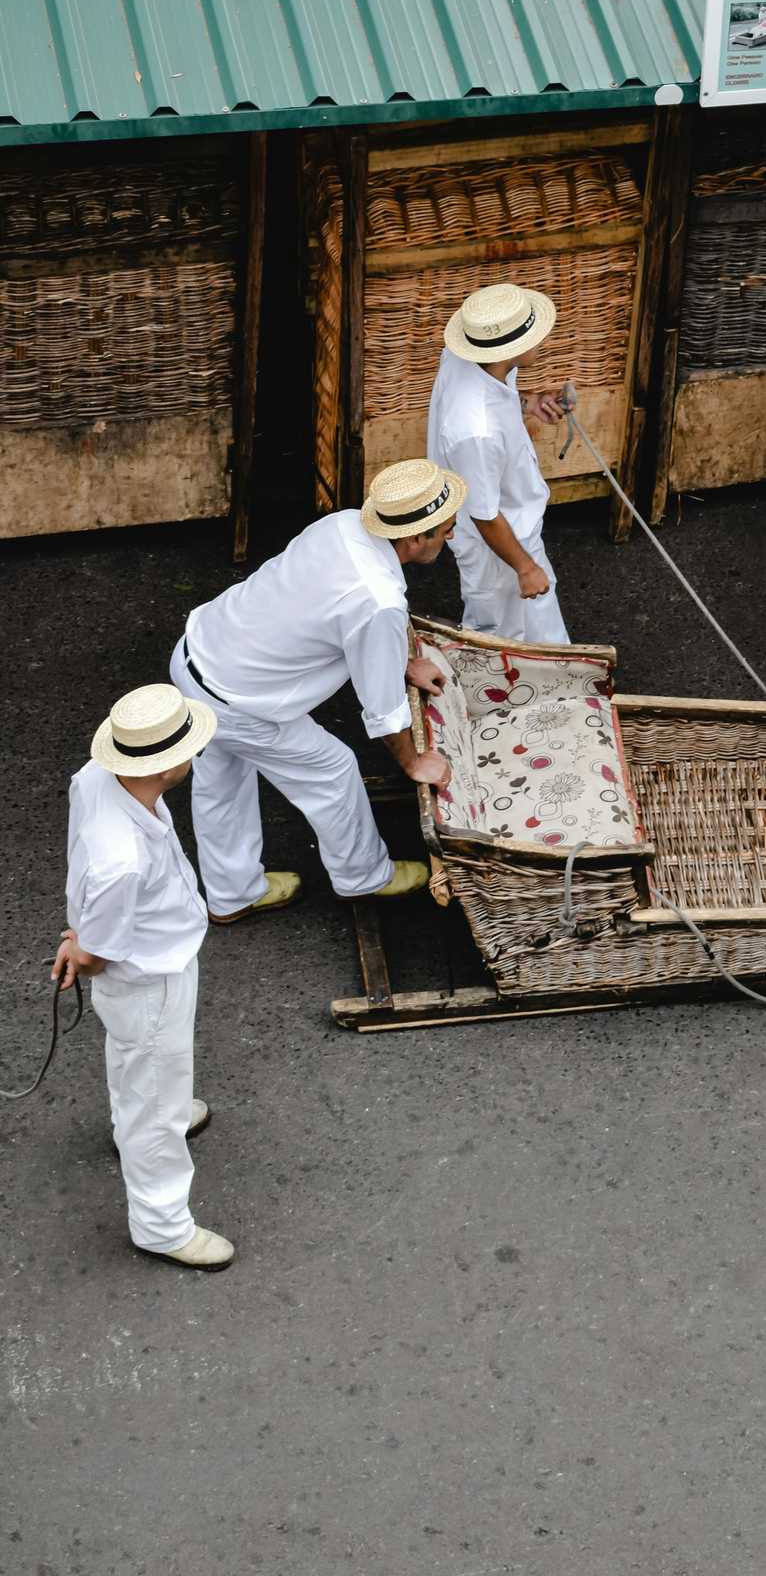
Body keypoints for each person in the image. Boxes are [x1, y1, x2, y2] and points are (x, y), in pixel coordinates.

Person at [168, 459, 465, 925]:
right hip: (239, 700)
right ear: (413, 540)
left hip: (199, 651)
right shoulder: (379, 600)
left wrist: (400, 661)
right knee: (332, 770)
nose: (451, 536)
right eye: (446, 530)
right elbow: (383, 709)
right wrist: (413, 762)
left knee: (221, 780)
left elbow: (325, 610)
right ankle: (364, 876)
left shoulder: (343, 524)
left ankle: (231, 893)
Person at [55, 683, 234, 1270]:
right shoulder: (123, 861)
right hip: (148, 976)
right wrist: (81, 948)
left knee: (146, 1070)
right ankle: (160, 1225)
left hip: (158, 958)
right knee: (151, 1098)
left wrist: (78, 936)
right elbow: (101, 953)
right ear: (167, 766)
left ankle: (159, 1114)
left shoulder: (96, 777)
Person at [427, 282, 570, 646]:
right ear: (514, 348)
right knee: (498, 635)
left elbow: (494, 397)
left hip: (512, 521)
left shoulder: (475, 357)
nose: (543, 342)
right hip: (498, 542)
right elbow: (484, 514)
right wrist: (524, 567)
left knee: (533, 630)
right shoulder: (476, 431)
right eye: (536, 337)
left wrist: (529, 403)